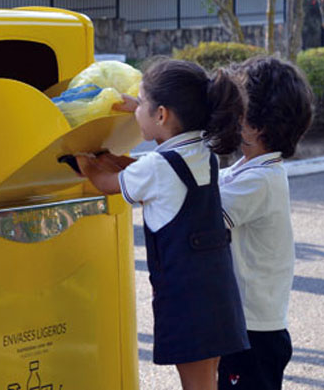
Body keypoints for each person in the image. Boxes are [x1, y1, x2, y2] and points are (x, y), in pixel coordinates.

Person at [76, 59, 249, 390]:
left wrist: (79, 156)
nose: (135, 109)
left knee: (196, 385)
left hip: (186, 299)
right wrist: (136, 107)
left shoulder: (156, 168)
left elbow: (105, 182)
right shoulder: (201, 152)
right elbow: (146, 171)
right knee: (206, 380)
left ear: (162, 114)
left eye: (140, 103)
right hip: (216, 294)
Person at [216, 56, 314, 390]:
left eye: (234, 107)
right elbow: (204, 185)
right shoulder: (244, 170)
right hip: (247, 327)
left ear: (256, 125)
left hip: (254, 333)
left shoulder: (260, 180)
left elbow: (202, 214)